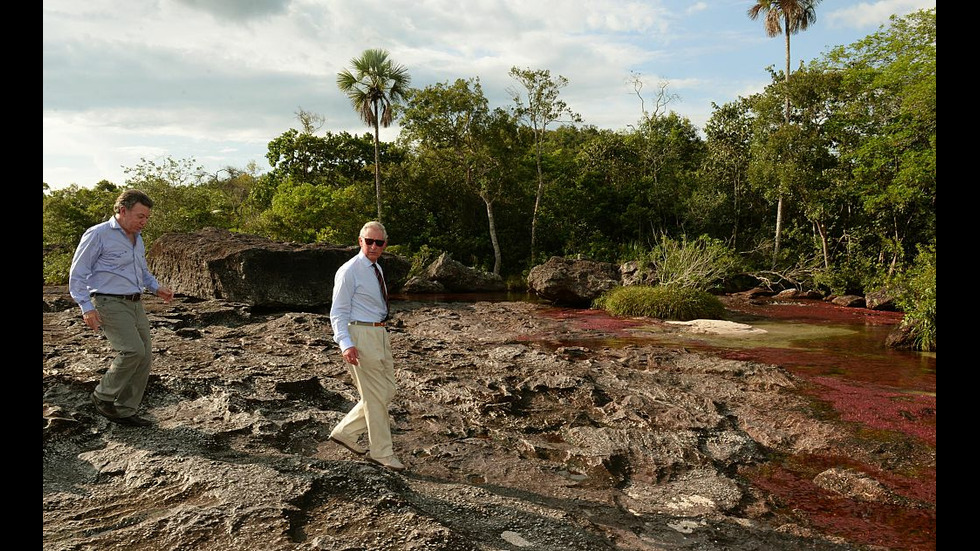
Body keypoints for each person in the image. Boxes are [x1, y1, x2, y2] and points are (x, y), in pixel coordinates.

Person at [69, 189, 174, 427]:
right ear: (122, 210)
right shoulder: (98, 234)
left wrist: (157, 288)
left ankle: (126, 409)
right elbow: (78, 274)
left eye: (147, 217)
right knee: (132, 351)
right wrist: (86, 307)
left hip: (135, 303)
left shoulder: (138, 239)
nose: (144, 222)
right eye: (140, 216)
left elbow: (142, 272)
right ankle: (103, 395)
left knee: (145, 356)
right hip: (108, 301)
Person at [328, 221, 405, 472]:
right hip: (360, 334)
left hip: (379, 333)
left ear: (384, 244)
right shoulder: (349, 270)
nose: (373, 246)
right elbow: (337, 311)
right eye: (368, 241)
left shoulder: (377, 268)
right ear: (360, 241)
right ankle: (382, 453)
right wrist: (346, 343)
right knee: (375, 397)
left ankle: (345, 432)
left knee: (387, 391)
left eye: (378, 242)